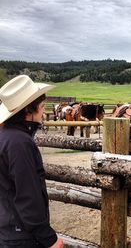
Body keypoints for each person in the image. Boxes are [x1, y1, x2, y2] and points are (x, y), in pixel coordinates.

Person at [0, 75, 64, 248]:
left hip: (7, 228)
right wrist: (48, 238)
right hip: (21, 236)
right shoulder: (19, 143)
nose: (44, 112)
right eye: (42, 107)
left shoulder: (5, 136)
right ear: (29, 110)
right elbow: (27, 195)